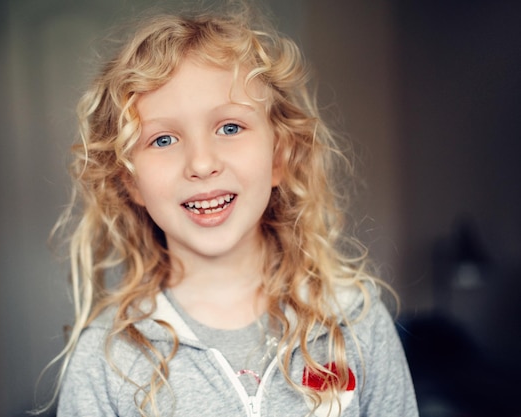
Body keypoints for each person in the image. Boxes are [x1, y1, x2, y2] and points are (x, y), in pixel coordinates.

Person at [47, 2, 418, 416]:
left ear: (279, 157)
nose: (202, 164)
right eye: (164, 140)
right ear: (131, 180)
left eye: (230, 127)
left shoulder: (355, 322)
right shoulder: (107, 358)